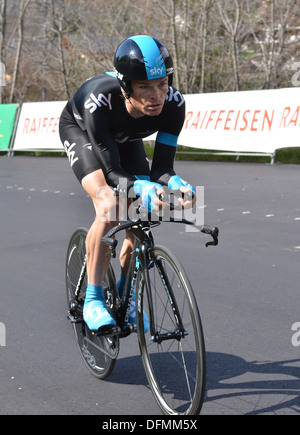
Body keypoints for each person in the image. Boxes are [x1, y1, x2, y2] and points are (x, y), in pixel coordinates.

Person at [59, 35, 195, 334]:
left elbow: (161, 167)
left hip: (125, 138)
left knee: (143, 215)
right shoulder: (100, 100)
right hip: (84, 131)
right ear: (125, 87)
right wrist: (141, 188)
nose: (156, 95)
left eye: (162, 83)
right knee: (110, 205)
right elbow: (113, 172)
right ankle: (92, 300)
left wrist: (175, 182)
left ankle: (126, 294)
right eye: (144, 86)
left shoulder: (174, 104)